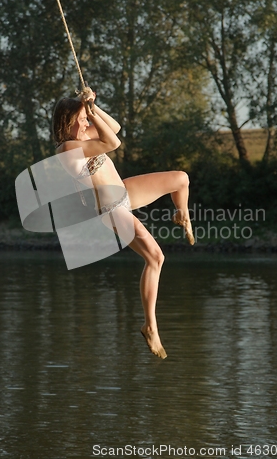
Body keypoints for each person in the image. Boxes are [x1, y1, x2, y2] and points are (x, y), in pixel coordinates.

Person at [53, 89, 194, 359]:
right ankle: (149, 326)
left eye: (86, 119)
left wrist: (94, 106)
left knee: (181, 179)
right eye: (81, 119)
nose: (86, 123)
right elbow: (113, 143)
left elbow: (114, 127)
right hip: (111, 208)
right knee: (155, 258)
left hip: (124, 192)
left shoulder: (83, 135)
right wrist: (90, 110)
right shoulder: (68, 148)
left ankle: (181, 214)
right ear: (66, 121)